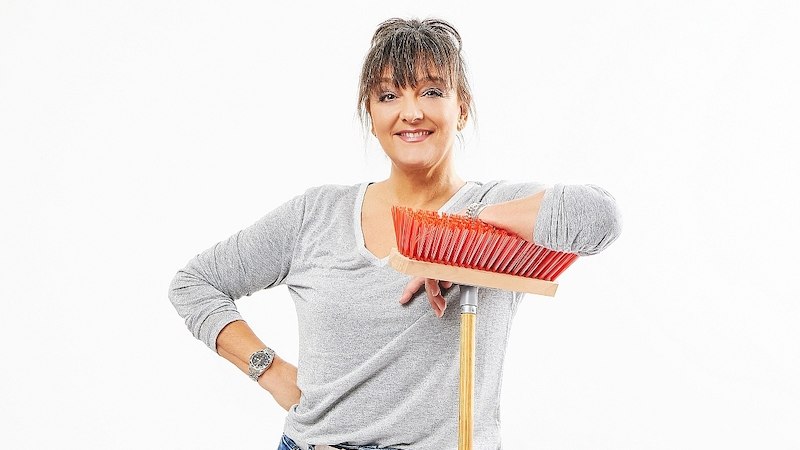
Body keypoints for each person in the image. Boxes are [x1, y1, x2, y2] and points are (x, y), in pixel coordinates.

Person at [168, 17, 622, 450]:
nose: (410, 112)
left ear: (461, 108)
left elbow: (601, 218)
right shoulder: (317, 214)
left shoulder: (505, 209)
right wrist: (270, 370)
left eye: (431, 91)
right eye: (388, 96)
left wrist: (469, 230)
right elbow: (194, 284)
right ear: (370, 113)